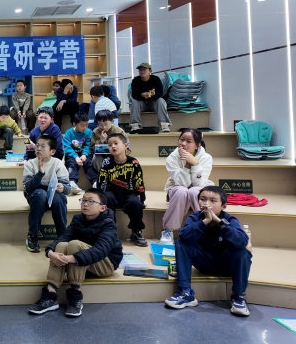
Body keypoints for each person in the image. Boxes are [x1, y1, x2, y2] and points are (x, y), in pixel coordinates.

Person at [28, 189, 122, 317]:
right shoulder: (78, 219)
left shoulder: (109, 223)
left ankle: (75, 297)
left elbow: (101, 251)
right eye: (83, 200)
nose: (85, 204)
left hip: (105, 263)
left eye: (91, 201)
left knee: (74, 244)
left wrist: (70, 259)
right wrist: (50, 252)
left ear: (103, 207)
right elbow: (63, 237)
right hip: (83, 263)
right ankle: (50, 295)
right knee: (62, 245)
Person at [165, 186, 252, 317]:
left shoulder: (230, 219)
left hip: (226, 265)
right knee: (181, 243)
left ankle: (238, 297)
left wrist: (219, 222)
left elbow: (242, 241)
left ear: (223, 206)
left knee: (242, 252)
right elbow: (184, 236)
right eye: (203, 199)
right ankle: (185, 293)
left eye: (213, 201)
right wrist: (205, 221)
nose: (207, 204)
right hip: (203, 262)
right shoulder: (195, 217)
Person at [160, 129, 213, 244]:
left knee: (195, 191)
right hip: (177, 188)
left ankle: (203, 230)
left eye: (189, 141)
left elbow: (199, 184)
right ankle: (168, 230)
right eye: (181, 140)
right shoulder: (172, 157)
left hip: (198, 187)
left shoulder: (206, 158)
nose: (183, 144)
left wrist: (195, 164)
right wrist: (188, 165)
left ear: (198, 145)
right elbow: (182, 183)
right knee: (181, 191)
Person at [23, 135, 71, 253]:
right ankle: (32, 235)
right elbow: (28, 189)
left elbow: (68, 189)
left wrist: (62, 187)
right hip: (36, 195)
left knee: (59, 198)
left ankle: (62, 236)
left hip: (53, 194)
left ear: (52, 151)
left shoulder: (58, 163)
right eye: (37, 146)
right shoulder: (30, 164)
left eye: (43, 146)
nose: (38, 148)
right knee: (40, 194)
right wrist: (40, 173)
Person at [97, 134, 147, 247]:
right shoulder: (106, 162)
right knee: (107, 198)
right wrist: (99, 198)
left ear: (125, 145)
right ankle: (110, 232)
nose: (113, 146)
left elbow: (139, 182)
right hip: (112, 192)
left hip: (129, 193)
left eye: (116, 143)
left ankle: (136, 231)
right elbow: (101, 181)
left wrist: (141, 200)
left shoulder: (133, 162)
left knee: (135, 203)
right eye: (110, 145)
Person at [130, 62, 171, 133]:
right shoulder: (135, 80)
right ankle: (135, 125)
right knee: (134, 102)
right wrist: (142, 95)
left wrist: (154, 94)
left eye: (144, 69)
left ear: (150, 71)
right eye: (140, 70)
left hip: (153, 103)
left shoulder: (156, 79)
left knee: (161, 101)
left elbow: (160, 93)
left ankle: (164, 124)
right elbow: (134, 95)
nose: (142, 71)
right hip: (141, 103)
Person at [63, 113, 96, 195]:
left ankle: (95, 182)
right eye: (82, 125)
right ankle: (72, 182)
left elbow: (88, 145)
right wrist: (76, 157)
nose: (85, 127)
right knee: (71, 163)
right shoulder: (68, 133)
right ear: (74, 124)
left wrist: (84, 154)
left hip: (85, 154)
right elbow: (67, 147)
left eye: (86, 125)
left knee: (89, 163)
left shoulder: (89, 132)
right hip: (72, 154)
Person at [90, 110, 127, 174]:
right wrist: (101, 140)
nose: (104, 127)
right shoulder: (96, 131)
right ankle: (103, 175)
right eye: (100, 125)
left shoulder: (119, 131)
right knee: (96, 157)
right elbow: (92, 148)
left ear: (112, 121)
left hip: (116, 154)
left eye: (106, 124)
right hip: (102, 155)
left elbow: (128, 146)